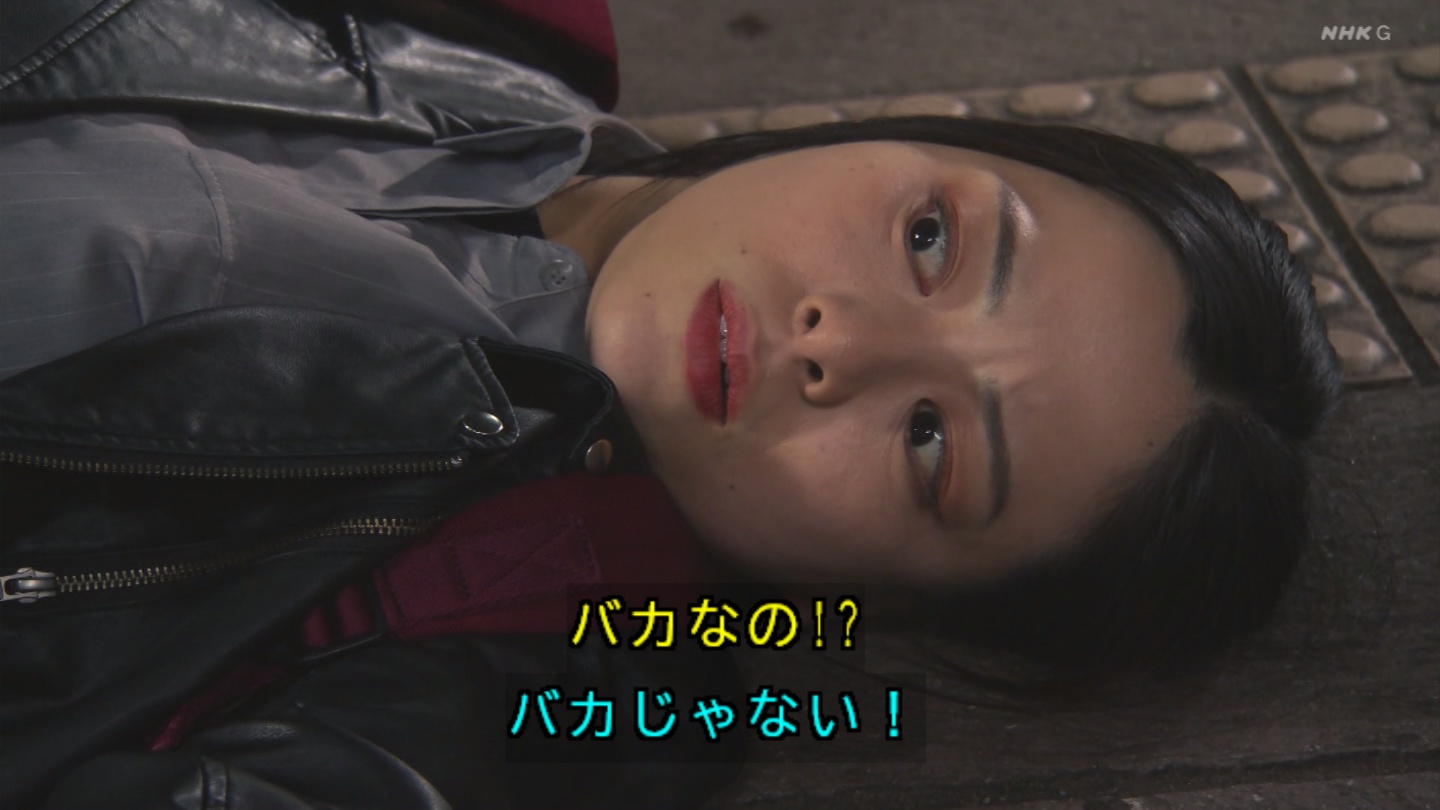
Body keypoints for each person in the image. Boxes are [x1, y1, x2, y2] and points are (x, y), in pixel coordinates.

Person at [0, 0, 1341, 807]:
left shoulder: (551, 650)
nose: (841, 340)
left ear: (888, 604)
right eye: (932, 238)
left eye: (931, 444)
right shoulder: (504, 34)